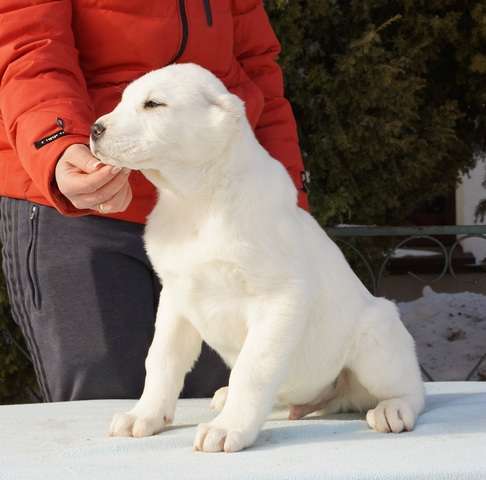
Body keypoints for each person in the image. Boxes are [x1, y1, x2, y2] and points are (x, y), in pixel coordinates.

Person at [0, 0, 308, 402]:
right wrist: (58, 146)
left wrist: (291, 208)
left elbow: (256, 73)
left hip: (218, 218)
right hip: (87, 208)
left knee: (225, 407)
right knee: (102, 416)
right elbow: (29, 48)